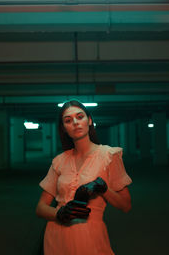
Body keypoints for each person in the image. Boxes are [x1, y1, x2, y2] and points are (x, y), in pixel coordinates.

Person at [36, 99, 132, 255]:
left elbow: (126, 205)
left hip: (89, 235)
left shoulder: (109, 156)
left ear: (90, 120)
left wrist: (104, 189)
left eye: (80, 117)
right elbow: (40, 208)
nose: (75, 122)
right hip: (56, 236)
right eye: (68, 120)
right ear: (64, 129)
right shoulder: (59, 161)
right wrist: (59, 213)